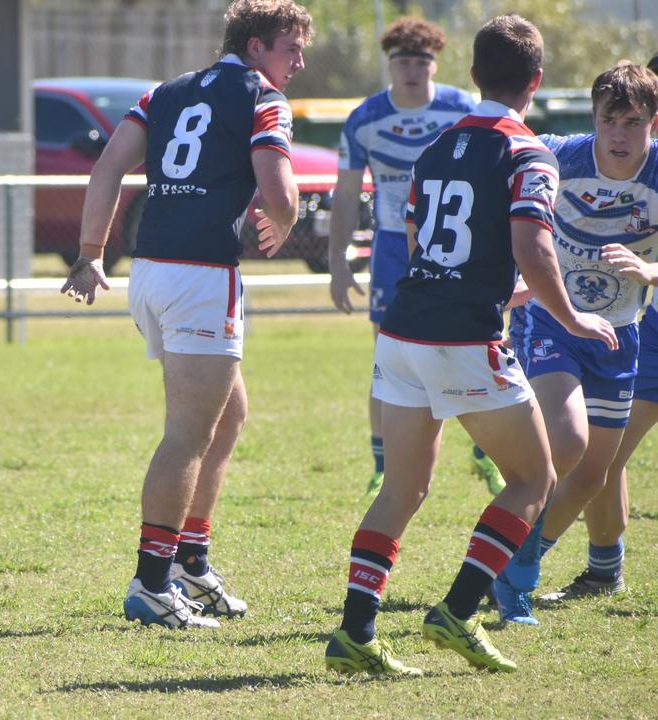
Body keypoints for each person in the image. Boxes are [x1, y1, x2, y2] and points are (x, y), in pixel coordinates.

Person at [322, 14, 618, 677]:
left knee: (402, 488)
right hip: (461, 340)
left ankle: (355, 632)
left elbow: (426, 242)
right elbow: (533, 246)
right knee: (533, 479)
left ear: (474, 76)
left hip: (402, 330)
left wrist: (502, 292)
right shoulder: (527, 151)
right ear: (535, 82)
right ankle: (456, 612)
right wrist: (570, 317)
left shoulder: (435, 146)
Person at [61, 0, 311, 629]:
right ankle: (152, 582)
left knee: (230, 417)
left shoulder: (163, 92)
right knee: (188, 436)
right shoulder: (263, 97)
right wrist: (286, 219)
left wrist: (91, 255)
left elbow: (108, 167)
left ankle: (191, 563)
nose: (299, 64)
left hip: (149, 272)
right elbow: (279, 193)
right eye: (291, 50)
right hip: (201, 278)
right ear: (255, 47)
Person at [492, 62, 658, 623]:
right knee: (567, 441)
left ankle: (516, 563)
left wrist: (649, 270)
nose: (619, 134)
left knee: (593, 476)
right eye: (609, 119)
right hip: (553, 320)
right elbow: (493, 194)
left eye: (632, 122)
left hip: (620, 332)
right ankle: (515, 576)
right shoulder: (557, 154)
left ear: (653, 125)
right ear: (592, 118)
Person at [327, 18, 506, 498]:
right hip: (391, 248)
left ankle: (489, 454)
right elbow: (345, 196)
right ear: (389, 65)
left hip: (461, 246)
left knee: (483, 344)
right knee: (389, 359)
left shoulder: (462, 108)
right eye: (402, 61)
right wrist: (338, 260)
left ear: (436, 65)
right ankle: (383, 465)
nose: (412, 70)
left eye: (421, 61)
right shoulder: (365, 117)